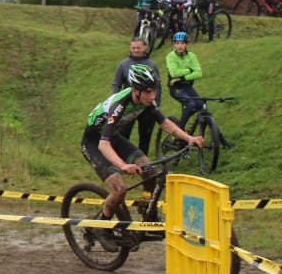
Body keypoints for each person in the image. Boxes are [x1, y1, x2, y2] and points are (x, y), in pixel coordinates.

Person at [80, 64, 203, 251]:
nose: (152, 96)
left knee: (150, 170)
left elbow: (164, 123)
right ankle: (102, 227)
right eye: (147, 92)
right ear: (135, 90)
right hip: (94, 143)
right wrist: (123, 165)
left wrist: (189, 138)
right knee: (119, 188)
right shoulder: (119, 106)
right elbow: (103, 144)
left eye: (153, 91)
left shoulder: (147, 101)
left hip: (114, 138)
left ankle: (148, 211)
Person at [164, 32, 234, 148]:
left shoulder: (191, 56)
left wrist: (182, 77)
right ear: (174, 45)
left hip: (187, 87)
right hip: (175, 88)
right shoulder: (170, 56)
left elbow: (199, 73)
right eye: (177, 43)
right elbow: (173, 73)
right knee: (191, 104)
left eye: (182, 43)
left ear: (186, 44)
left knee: (203, 108)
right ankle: (179, 133)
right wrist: (189, 70)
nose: (179, 46)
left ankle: (223, 142)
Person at [112, 37, 162, 152]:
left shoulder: (152, 65)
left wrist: (156, 103)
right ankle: (122, 159)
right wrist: (117, 100)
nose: (135, 50)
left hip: (147, 106)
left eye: (138, 48)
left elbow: (157, 86)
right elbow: (116, 84)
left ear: (144, 47)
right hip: (128, 106)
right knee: (123, 135)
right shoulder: (123, 64)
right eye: (133, 48)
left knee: (145, 136)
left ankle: (143, 163)